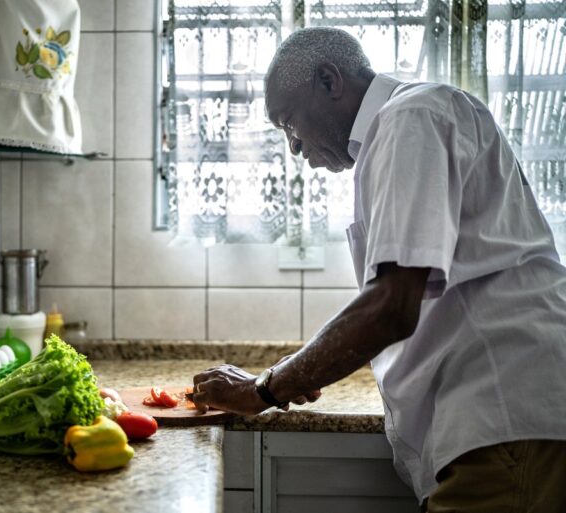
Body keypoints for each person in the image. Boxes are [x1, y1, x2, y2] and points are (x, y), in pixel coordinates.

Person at [191, 27, 566, 512]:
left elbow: (391, 306)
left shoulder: (411, 118)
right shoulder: (404, 128)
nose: (294, 149)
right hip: (505, 420)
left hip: (505, 414)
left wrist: (265, 388)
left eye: (289, 124)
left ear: (329, 81)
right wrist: (308, 367)